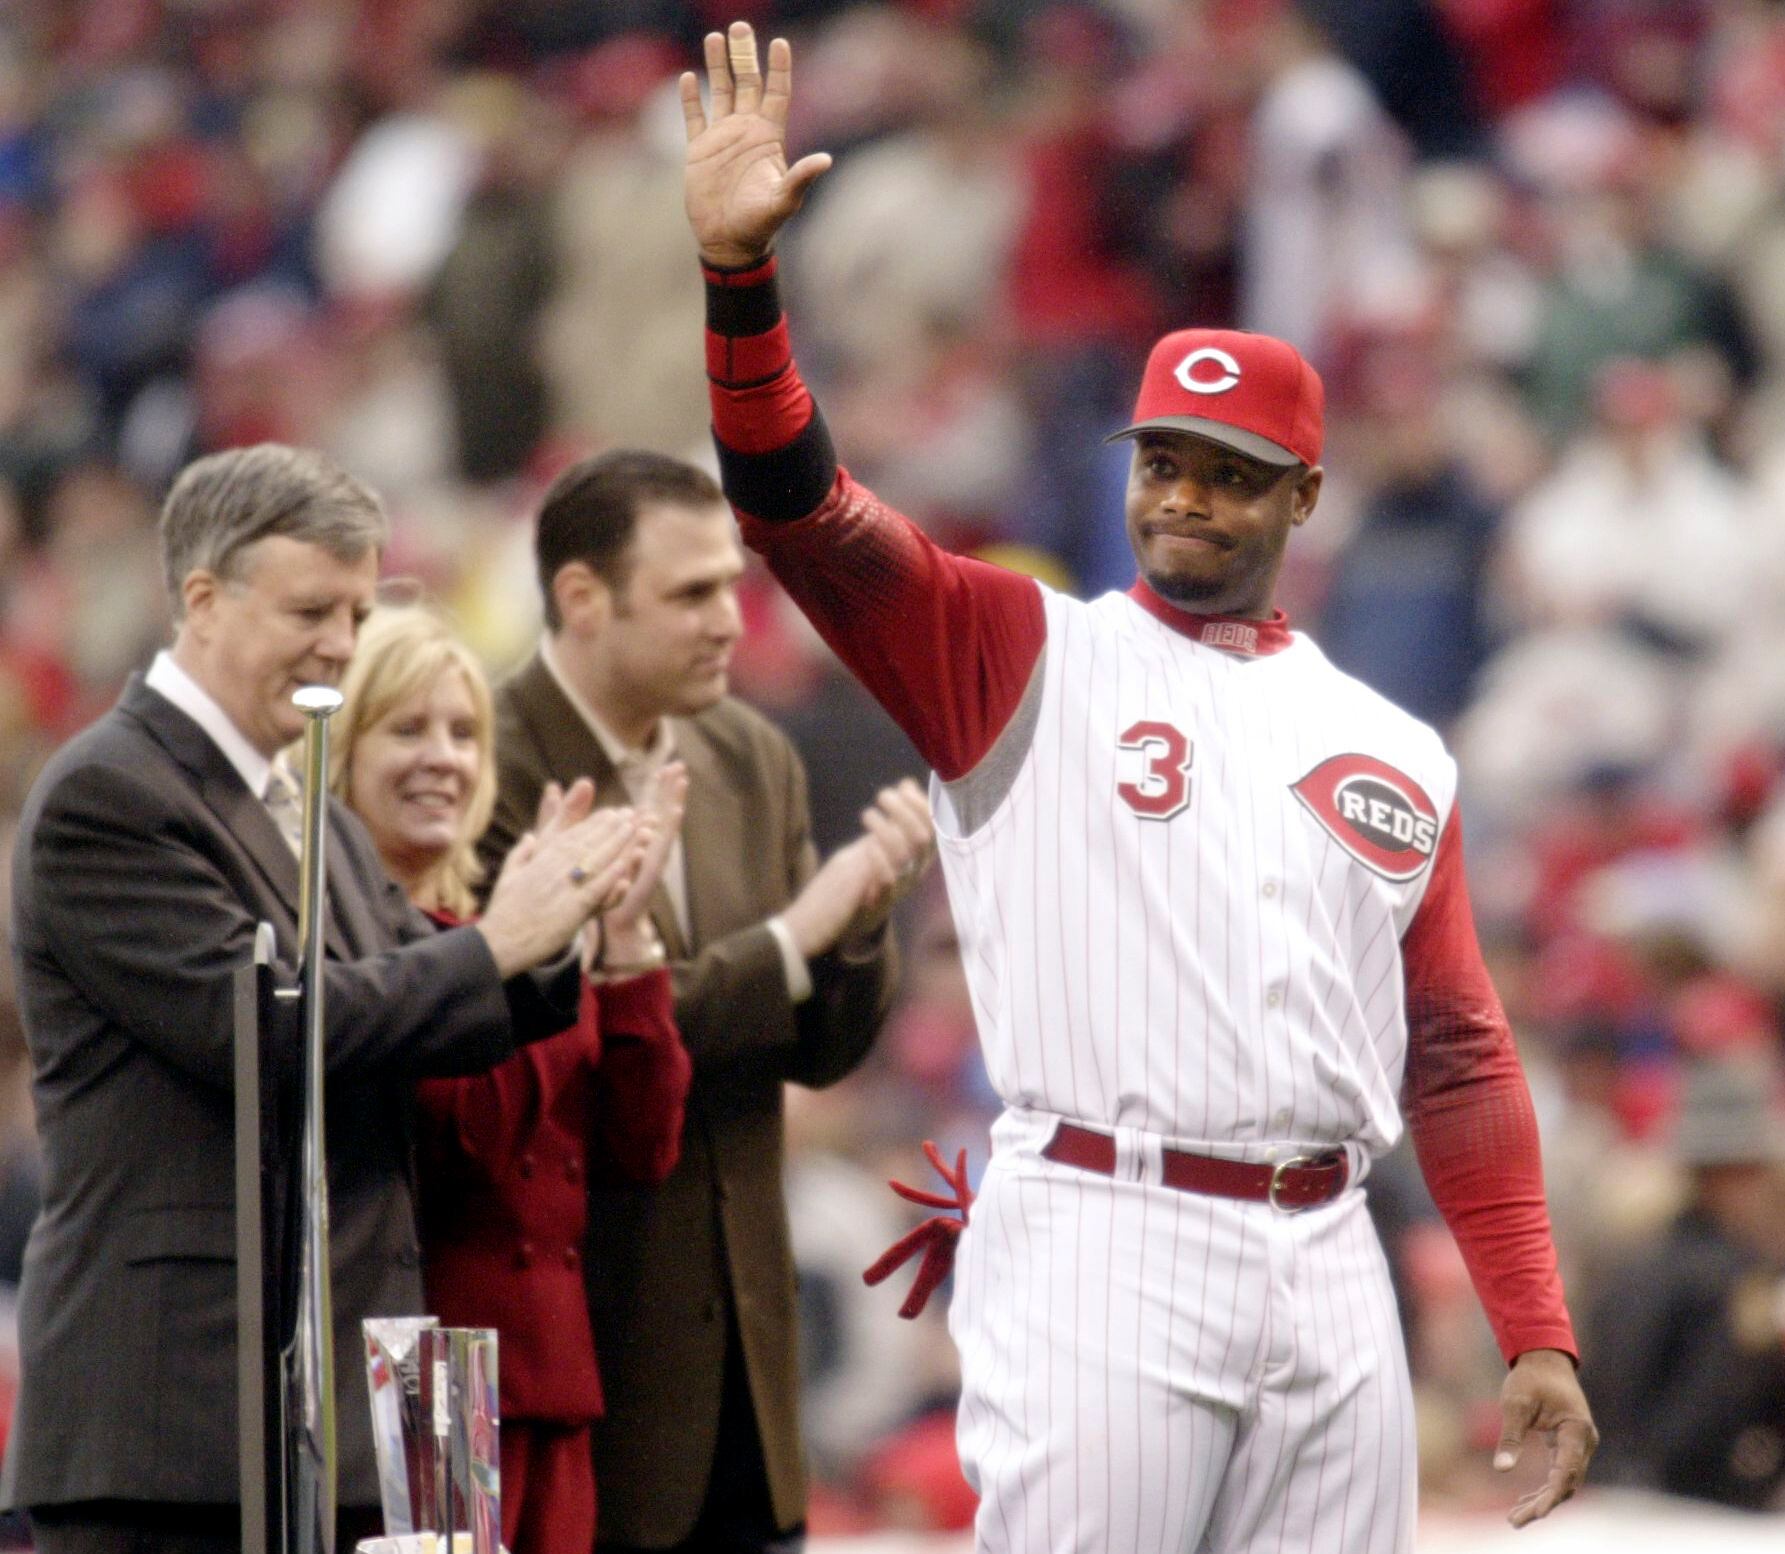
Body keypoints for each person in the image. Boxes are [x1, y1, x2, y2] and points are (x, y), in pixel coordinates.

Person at [676, 23, 1598, 1553]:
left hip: (1326, 1250)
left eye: (1228, 469)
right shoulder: (1018, 647)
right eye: (1161, 457)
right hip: (1108, 1224)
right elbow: (798, 510)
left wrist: (1535, 1323)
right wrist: (738, 287)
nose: (1181, 493)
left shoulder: (1391, 746)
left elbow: (1456, 1048)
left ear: (1303, 494)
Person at [2, 443, 636, 1554]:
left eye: (354, 612)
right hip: (184, 1416)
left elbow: (446, 1030)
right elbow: (264, 1029)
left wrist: (563, 933)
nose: (341, 646)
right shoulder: (109, 793)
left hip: (378, 1400)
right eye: (312, 611)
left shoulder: (327, 828)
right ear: (203, 600)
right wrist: (502, 941)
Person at [479, 447, 935, 1553]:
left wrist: (863, 918)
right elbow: (572, 1035)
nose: (732, 620)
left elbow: (818, 1053)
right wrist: (796, 934)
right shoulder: (481, 759)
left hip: (752, 1374)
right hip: (587, 1371)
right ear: (583, 598)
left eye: (734, 584)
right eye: (692, 593)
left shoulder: (751, 754)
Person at [331, 603, 694, 1554]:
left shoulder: (496, 937)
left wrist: (620, 941)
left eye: (461, 732)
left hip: (553, 1379)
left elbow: (637, 1146)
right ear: (340, 756)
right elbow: (471, 1129)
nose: (441, 757)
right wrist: (529, 937)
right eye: (406, 728)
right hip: (426, 1380)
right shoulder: (345, 957)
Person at [1587, 1057, 1785, 1510]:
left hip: (1614, 1493)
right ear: (1734, 1173)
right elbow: (1707, 1414)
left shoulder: (1639, 1262)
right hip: (1688, 1507)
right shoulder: (1737, 1279)